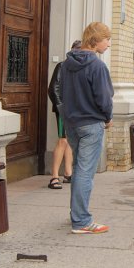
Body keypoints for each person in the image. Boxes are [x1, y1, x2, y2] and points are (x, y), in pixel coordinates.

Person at [61, 22, 113, 234]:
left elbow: (62, 92)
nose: (109, 44)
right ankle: (81, 220)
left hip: (72, 123)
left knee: (79, 171)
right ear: (95, 41)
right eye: (106, 39)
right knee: (85, 172)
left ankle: (76, 213)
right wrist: (107, 117)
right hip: (91, 123)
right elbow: (104, 98)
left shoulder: (66, 64)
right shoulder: (97, 66)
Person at [46, 39, 80, 190]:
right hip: (65, 110)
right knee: (63, 141)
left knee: (70, 141)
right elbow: (53, 88)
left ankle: (68, 173)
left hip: (76, 111)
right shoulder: (62, 66)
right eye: (77, 50)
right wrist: (61, 108)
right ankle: (54, 176)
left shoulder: (80, 68)